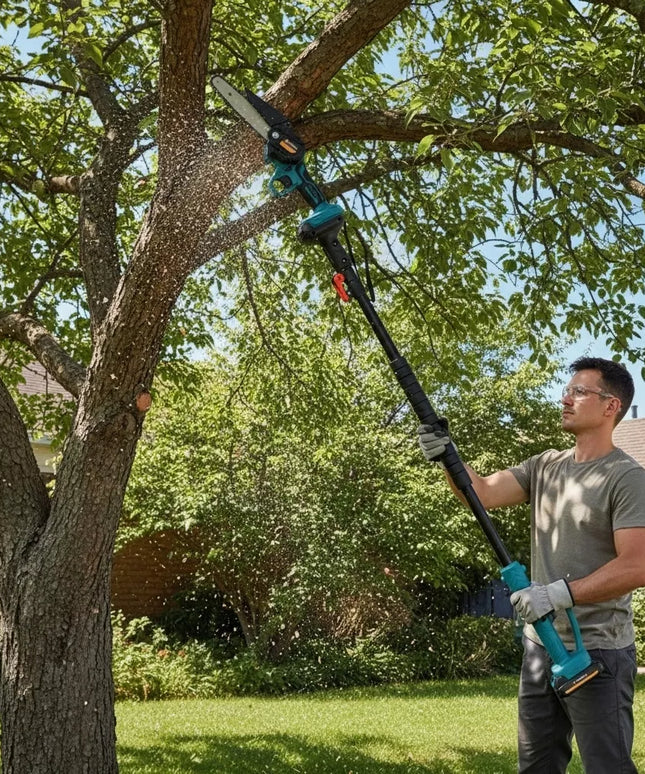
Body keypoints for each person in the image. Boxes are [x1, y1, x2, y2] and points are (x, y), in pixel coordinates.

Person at [418, 357, 645, 773]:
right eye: (567, 389)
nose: (566, 398)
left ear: (611, 406)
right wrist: (447, 456)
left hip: (599, 651)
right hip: (541, 646)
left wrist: (558, 594)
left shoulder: (626, 478)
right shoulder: (546, 466)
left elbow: (638, 565)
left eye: (580, 391)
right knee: (536, 766)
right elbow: (481, 493)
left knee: (608, 766)